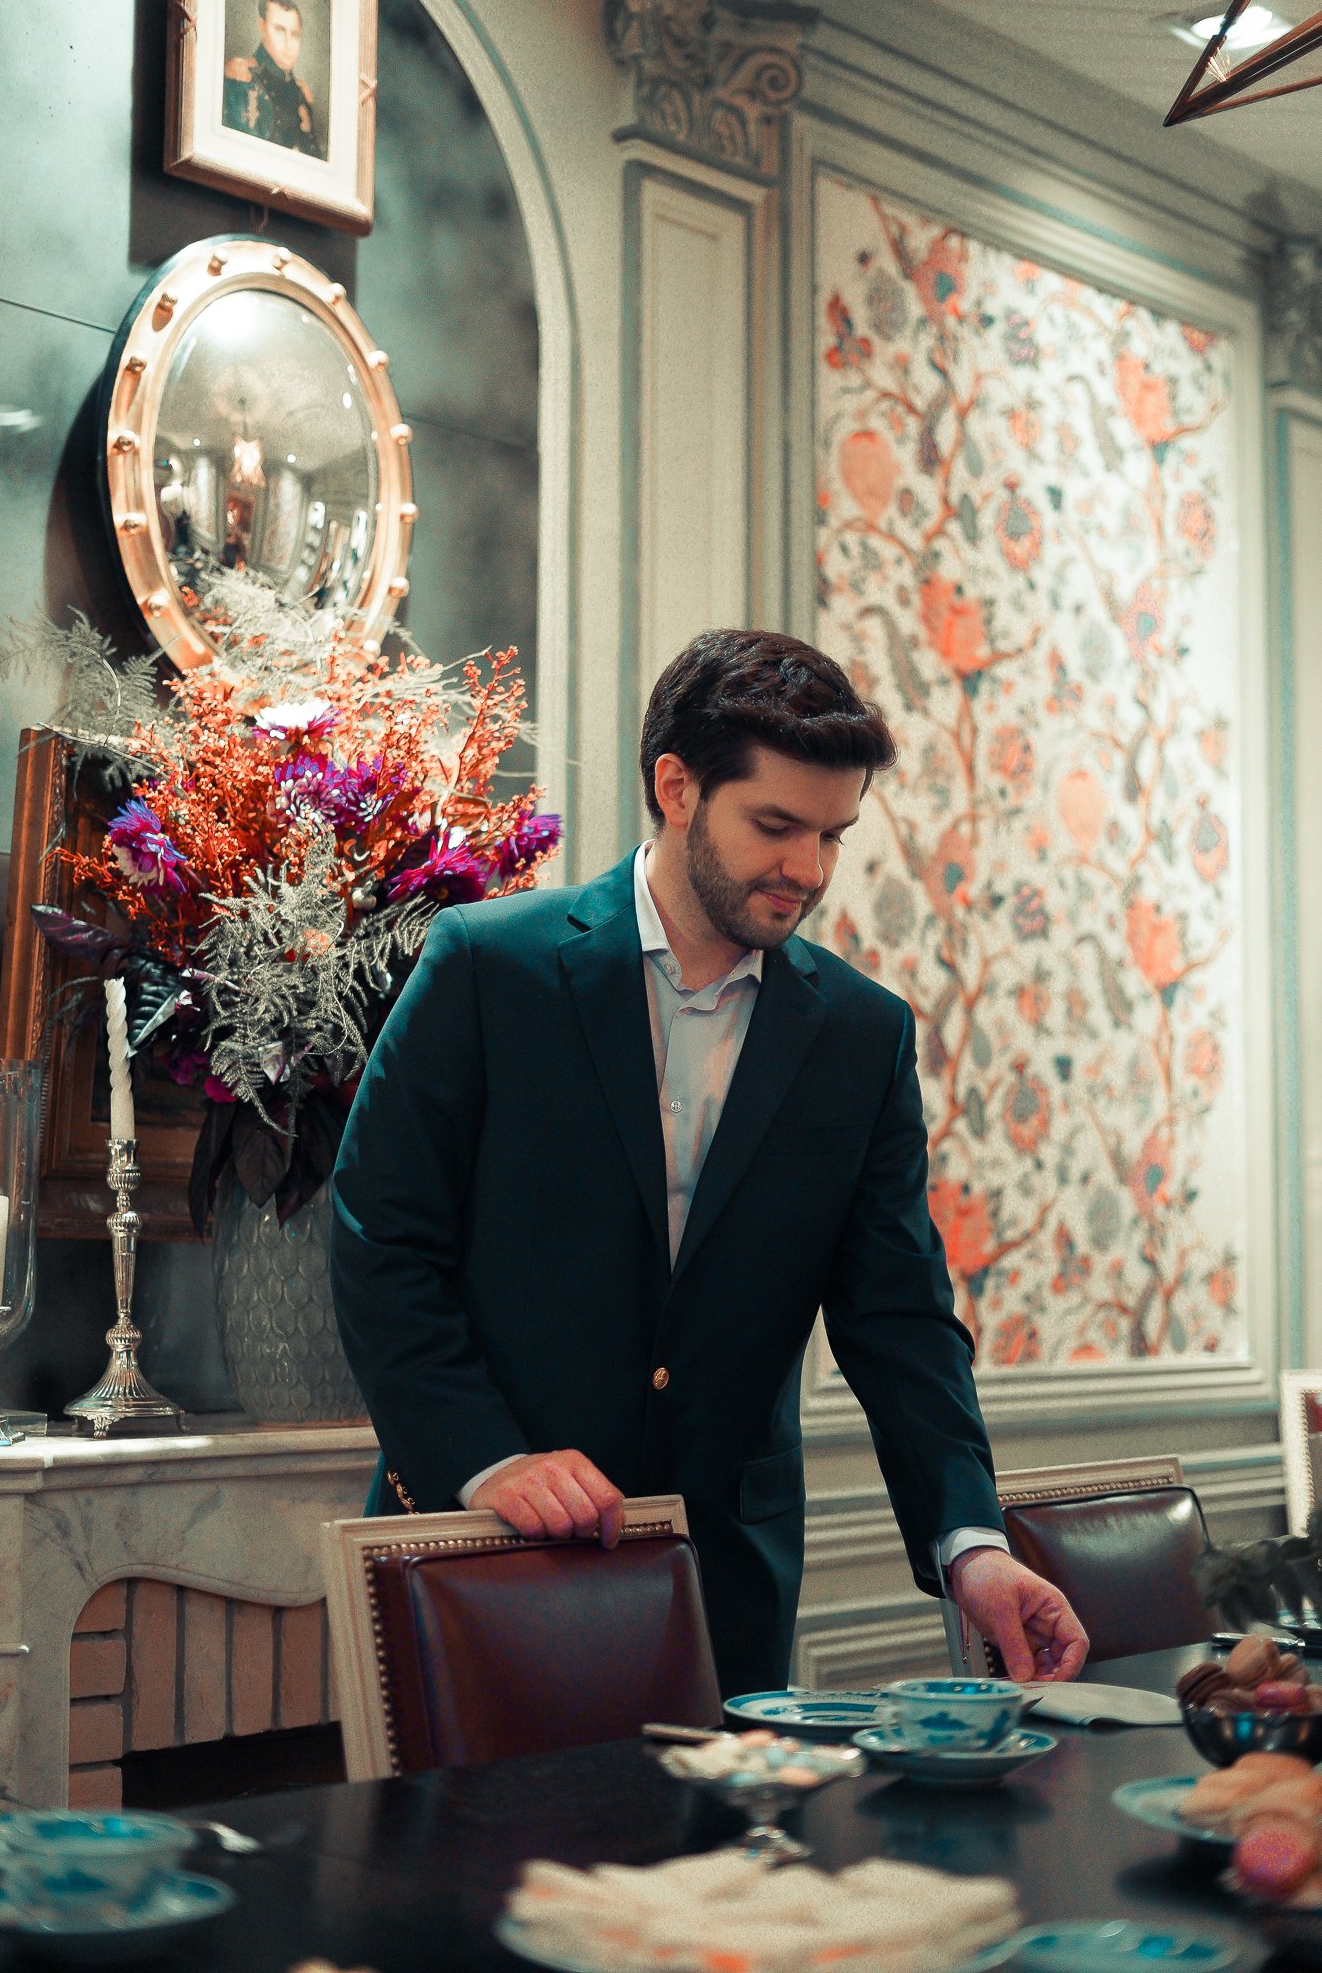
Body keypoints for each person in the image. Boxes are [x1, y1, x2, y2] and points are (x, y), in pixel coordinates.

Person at [330, 631, 1088, 1694]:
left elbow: (899, 1318)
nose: (808, 871)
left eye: (832, 835)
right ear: (676, 787)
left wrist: (972, 1543)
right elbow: (380, 1240)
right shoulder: (487, 967)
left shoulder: (861, 1034)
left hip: (728, 1579)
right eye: (775, 826)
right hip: (477, 1549)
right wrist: (487, 1457)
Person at [222, 0, 322, 158]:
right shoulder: (241, 78)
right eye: (279, 30)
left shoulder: (301, 93)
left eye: (295, 34)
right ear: (262, 27)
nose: (288, 43)